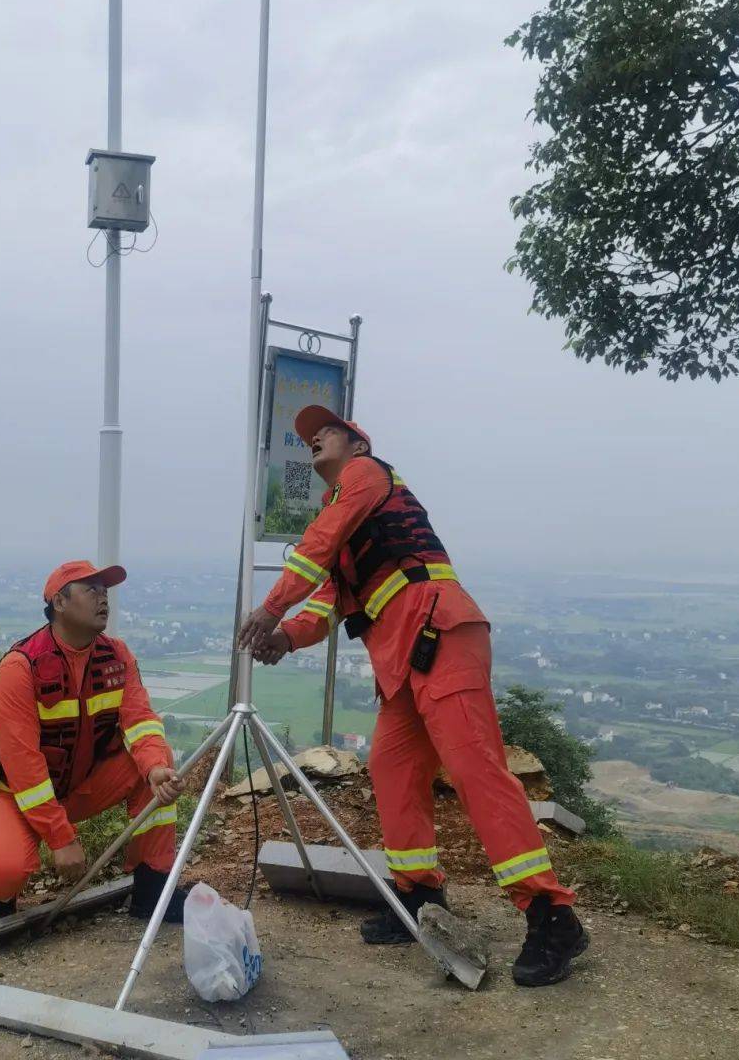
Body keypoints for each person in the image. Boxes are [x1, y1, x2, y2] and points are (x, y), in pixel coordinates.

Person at [238, 406, 589, 987]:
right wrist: (284, 637)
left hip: (440, 633)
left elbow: (316, 548)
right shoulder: (345, 520)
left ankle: (552, 914)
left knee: (476, 770)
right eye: (307, 435)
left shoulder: (367, 475)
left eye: (327, 429)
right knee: (392, 769)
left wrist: (271, 606)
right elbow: (326, 607)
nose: (314, 436)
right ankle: (418, 895)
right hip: (403, 658)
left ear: (357, 443)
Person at [0, 559, 187, 924]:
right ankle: (1, 897)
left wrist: (155, 768)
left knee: (156, 770)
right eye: (92, 590)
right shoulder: (21, 668)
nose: (104, 598)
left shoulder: (117, 656)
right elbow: (24, 768)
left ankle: (152, 889)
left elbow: (141, 721)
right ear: (59, 603)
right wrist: (60, 837)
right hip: (15, 795)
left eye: (105, 590)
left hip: (79, 787)